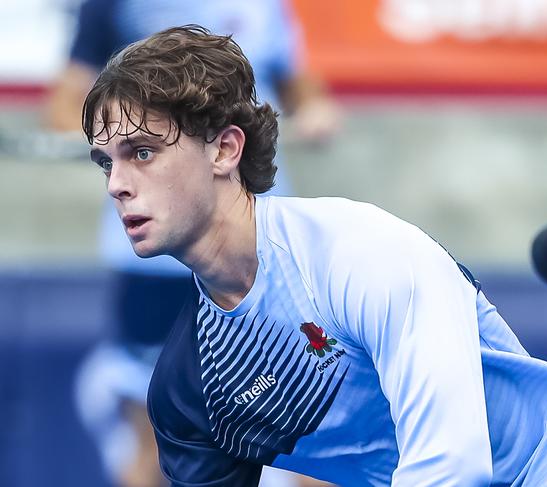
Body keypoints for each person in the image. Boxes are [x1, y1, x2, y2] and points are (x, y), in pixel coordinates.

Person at [82, 25, 547, 486]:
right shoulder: (189, 390)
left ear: (226, 149)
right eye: (107, 162)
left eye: (144, 152)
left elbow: (452, 467)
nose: (117, 185)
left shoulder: (364, 252)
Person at [47, 2, 337, 486]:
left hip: (261, 255)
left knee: (315, 435)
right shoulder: (113, 8)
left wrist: (315, 108)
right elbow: (64, 105)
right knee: (156, 443)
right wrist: (128, 142)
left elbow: (297, 81)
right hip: (155, 273)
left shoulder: (268, 9)